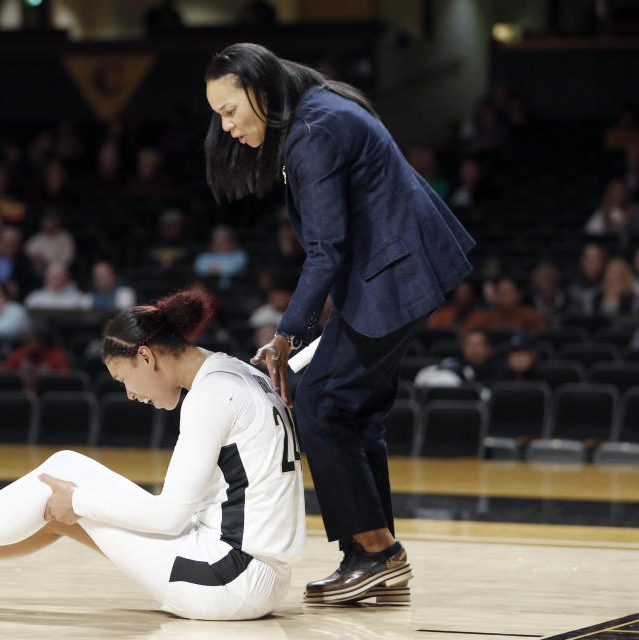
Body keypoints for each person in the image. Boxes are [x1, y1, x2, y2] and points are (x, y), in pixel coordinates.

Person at [0, 290, 306, 619]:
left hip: (227, 580)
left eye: (124, 382)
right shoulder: (238, 373)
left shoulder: (209, 396)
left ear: (146, 357)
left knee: (62, 479)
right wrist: (73, 506)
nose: (132, 396)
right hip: (252, 574)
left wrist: (80, 501)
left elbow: (166, 518)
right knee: (57, 503)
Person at [203, 43, 474, 604]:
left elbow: (326, 251)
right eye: (218, 115)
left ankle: (376, 552)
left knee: (323, 404)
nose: (225, 125)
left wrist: (284, 338)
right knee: (353, 414)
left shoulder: (313, 132)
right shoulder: (316, 108)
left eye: (229, 110)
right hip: (397, 268)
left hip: (394, 273)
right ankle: (372, 554)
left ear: (261, 90)